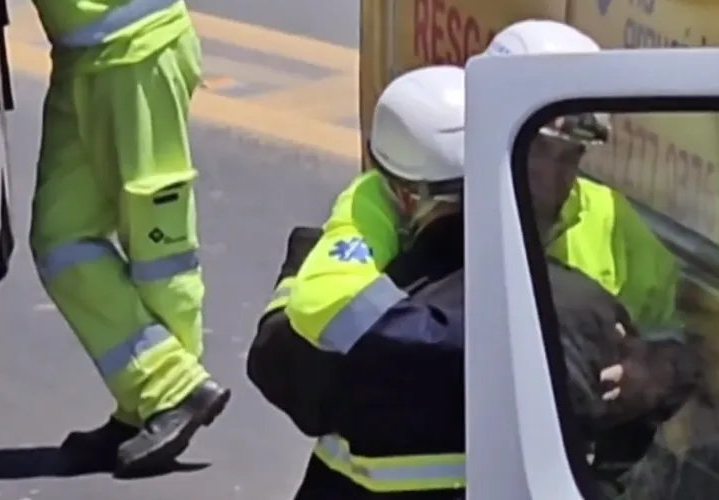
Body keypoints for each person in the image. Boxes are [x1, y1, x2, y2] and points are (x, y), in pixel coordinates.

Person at [248, 65, 473, 499]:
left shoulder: (377, 307)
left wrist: (335, 239)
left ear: (402, 195)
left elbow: (278, 365)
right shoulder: (558, 288)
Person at [28, 0, 228, 474]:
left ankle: (171, 392)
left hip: (139, 49)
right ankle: (148, 395)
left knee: (157, 249)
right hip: (84, 56)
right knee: (61, 240)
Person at [481, 19, 682, 339]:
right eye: (537, 149)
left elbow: (672, 338)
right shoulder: (421, 201)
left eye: (570, 156)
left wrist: (649, 364)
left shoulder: (613, 223)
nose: (550, 177)